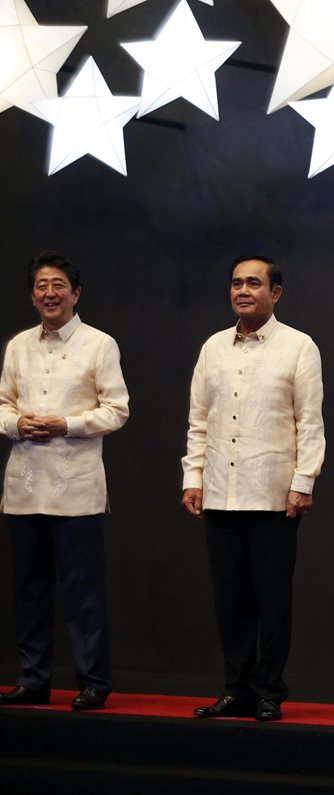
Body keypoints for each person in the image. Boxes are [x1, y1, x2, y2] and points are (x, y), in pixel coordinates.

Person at [182, 255, 325, 722]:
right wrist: (193, 477)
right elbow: (198, 421)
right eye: (237, 283)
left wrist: (303, 483)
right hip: (221, 490)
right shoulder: (213, 349)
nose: (243, 291)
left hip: (272, 494)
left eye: (254, 283)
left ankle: (268, 690)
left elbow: (310, 423)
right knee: (231, 599)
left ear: (275, 293)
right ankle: (236, 688)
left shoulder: (299, 347)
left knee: (272, 598)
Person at [0, 251, 130, 711]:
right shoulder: (18, 345)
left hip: (76, 488)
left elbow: (117, 409)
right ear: (33, 295)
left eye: (58, 285)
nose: (49, 293)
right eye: (41, 286)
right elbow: (3, 405)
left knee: (83, 591)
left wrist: (66, 425)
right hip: (24, 485)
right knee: (29, 590)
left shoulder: (99, 344)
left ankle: (93, 681)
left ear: (76, 293)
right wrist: (16, 425)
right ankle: (33, 679)